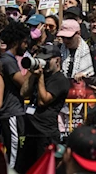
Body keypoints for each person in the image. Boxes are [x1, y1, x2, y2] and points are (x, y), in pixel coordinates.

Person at [18, 44, 71, 173]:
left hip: (45, 134)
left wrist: (40, 77)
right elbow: (24, 93)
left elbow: (43, 101)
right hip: (31, 131)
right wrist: (31, 73)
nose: (44, 63)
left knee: (43, 170)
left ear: (57, 60)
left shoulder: (60, 80)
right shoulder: (38, 75)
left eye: (47, 60)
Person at [0, 21, 29, 168]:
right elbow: (23, 83)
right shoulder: (8, 61)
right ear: (17, 42)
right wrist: (33, 72)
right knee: (14, 154)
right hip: (11, 112)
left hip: (12, 112)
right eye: (24, 42)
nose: (26, 46)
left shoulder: (7, 60)